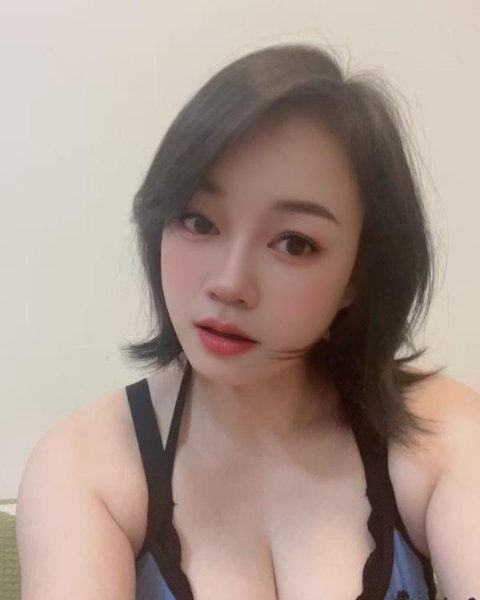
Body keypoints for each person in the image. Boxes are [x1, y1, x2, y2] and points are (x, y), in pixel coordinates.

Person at [16, 43, 480, 600]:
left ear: (357, 275)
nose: (230, 282)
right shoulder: (85, 467)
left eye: (294, 243)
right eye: (199, 221)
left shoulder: (443, 433)